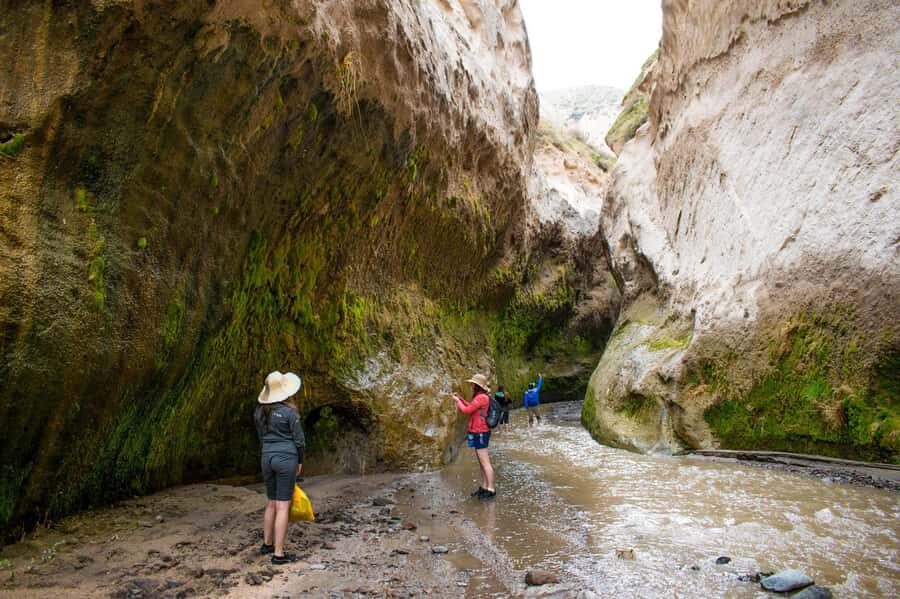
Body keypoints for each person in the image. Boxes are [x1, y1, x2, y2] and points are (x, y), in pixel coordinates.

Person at [254, 370, 305, 565]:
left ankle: (266, 543)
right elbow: (299, 441)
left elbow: (260, 437)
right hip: (287, 458)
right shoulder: (290, 413)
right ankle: (279, 553)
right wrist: (300, 461)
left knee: (271, 502)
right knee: (283, 506)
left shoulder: (259, 412)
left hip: (267, 457)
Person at [451, 373, 496, 500]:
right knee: (482, 463)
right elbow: (471, 407)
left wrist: (457, 401)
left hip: (481, 431)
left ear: (477, 385)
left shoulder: (481, 397)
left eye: (473, 384)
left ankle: (491, 489)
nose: (471, 385)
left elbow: (467, 411)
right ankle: (484, 487)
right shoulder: (480, 397)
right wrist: (460, 400)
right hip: (479, 431)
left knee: (485, 463)